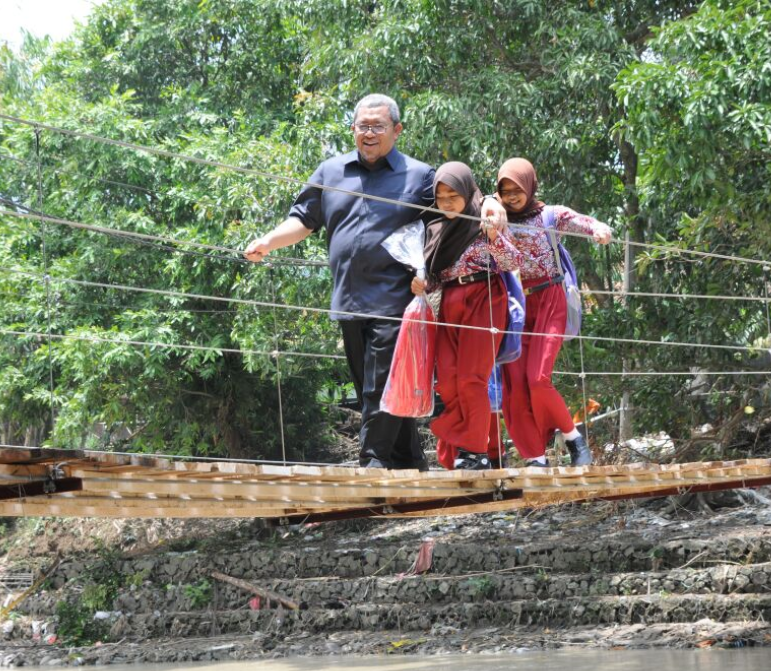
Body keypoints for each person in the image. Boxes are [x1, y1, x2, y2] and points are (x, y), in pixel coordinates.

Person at [245, 94, 506, 469]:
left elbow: (460, 198)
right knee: (370, 381)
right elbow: (304, 218)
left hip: (396, 299)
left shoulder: (418, 176)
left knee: (380, 383)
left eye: (378, 126)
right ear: (353, 129)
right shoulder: (331, 172)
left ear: (396, 131)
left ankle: (373, 460)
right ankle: (409, 462)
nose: (369, 133)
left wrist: (493, 202)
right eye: (362, 126)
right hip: (348, 299)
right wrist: (268, 241)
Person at [493, 157, 611, 467]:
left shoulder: (549, 215)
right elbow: (502, 259)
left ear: (529, 186)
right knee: (514, 385)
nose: (512, 196)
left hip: (550, 299)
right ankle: (535, 457)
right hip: (519, 306)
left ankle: (574, 440)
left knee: (538, 378)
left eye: (516, 188)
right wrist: (492, 221)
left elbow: (580, 221)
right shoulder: (497, 218)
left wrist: (598, 227)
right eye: (505, 190)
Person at [411, 162, 521, 470]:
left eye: (453, 195)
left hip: (484, 299)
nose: (446, 202)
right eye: (441, 196)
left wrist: (494, 236)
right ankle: (462, 446)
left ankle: (476, 452)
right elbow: (436, 277)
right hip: (449, 303)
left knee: (472, 379)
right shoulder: (435, 228)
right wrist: (423, 283)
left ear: (467, 192)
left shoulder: (484, 218)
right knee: (446, 380)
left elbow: (513, 261)